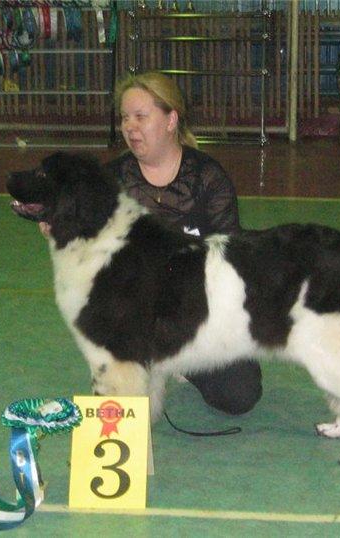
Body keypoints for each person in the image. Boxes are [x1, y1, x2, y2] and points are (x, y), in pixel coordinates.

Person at [104, 71, 262, 416]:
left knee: (240, 394)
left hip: (200, 311)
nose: (130, 126)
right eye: (125, 117)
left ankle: (183, 363)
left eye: (141, 117)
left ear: (171, 119)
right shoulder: (113, 180)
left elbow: (232, 257)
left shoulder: (207, 177)